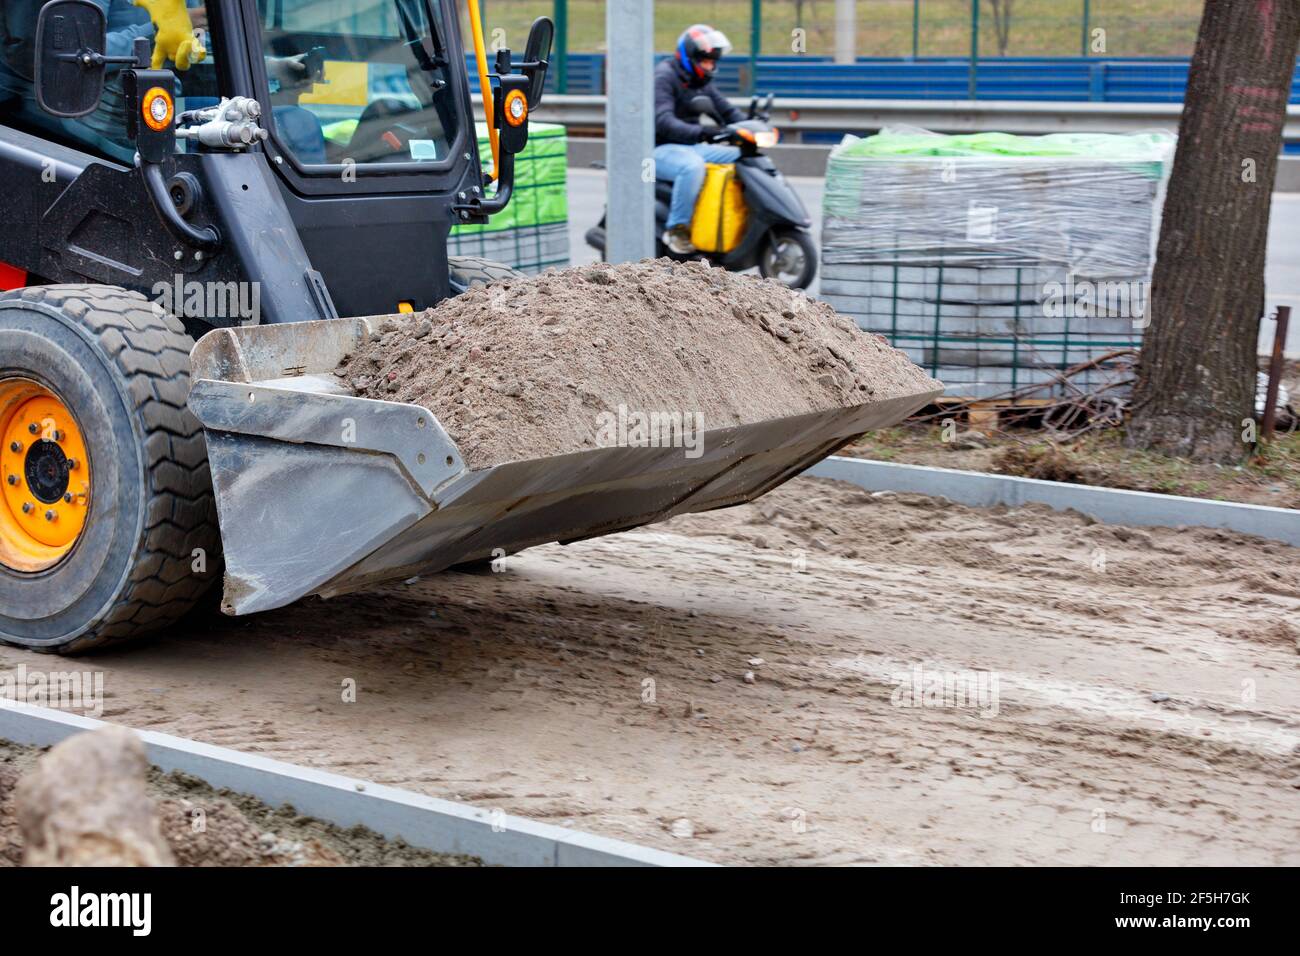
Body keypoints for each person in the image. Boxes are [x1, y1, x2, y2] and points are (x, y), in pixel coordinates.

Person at [653, 24, 744, 255]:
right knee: (691, 167)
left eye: (713, 62)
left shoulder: (698, 80)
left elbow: (727, 110)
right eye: (706, 61)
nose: (710, 66)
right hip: (658, 149)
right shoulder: (665, 76)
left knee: (742, 156)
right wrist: (703, 133)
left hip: (689, 145)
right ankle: (677, 229)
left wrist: (750, 126)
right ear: (689, 57)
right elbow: (663, 121)